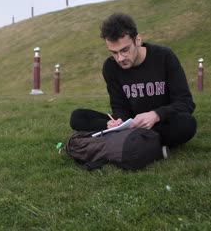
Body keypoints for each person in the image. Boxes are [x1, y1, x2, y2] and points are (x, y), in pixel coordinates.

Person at [70, 13, 197, 154]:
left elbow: (185, 103)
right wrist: (116, 122)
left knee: (187, 124)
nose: (120, 58)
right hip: (129, 125)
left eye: (124, 50)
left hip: (160, 123)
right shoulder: (110, 67)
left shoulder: (164, 57)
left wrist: (156, 114)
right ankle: (148, 146)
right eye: (114, 52)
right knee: (78, 117)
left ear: (137, 40)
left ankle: (129, 143)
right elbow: (120, 107)